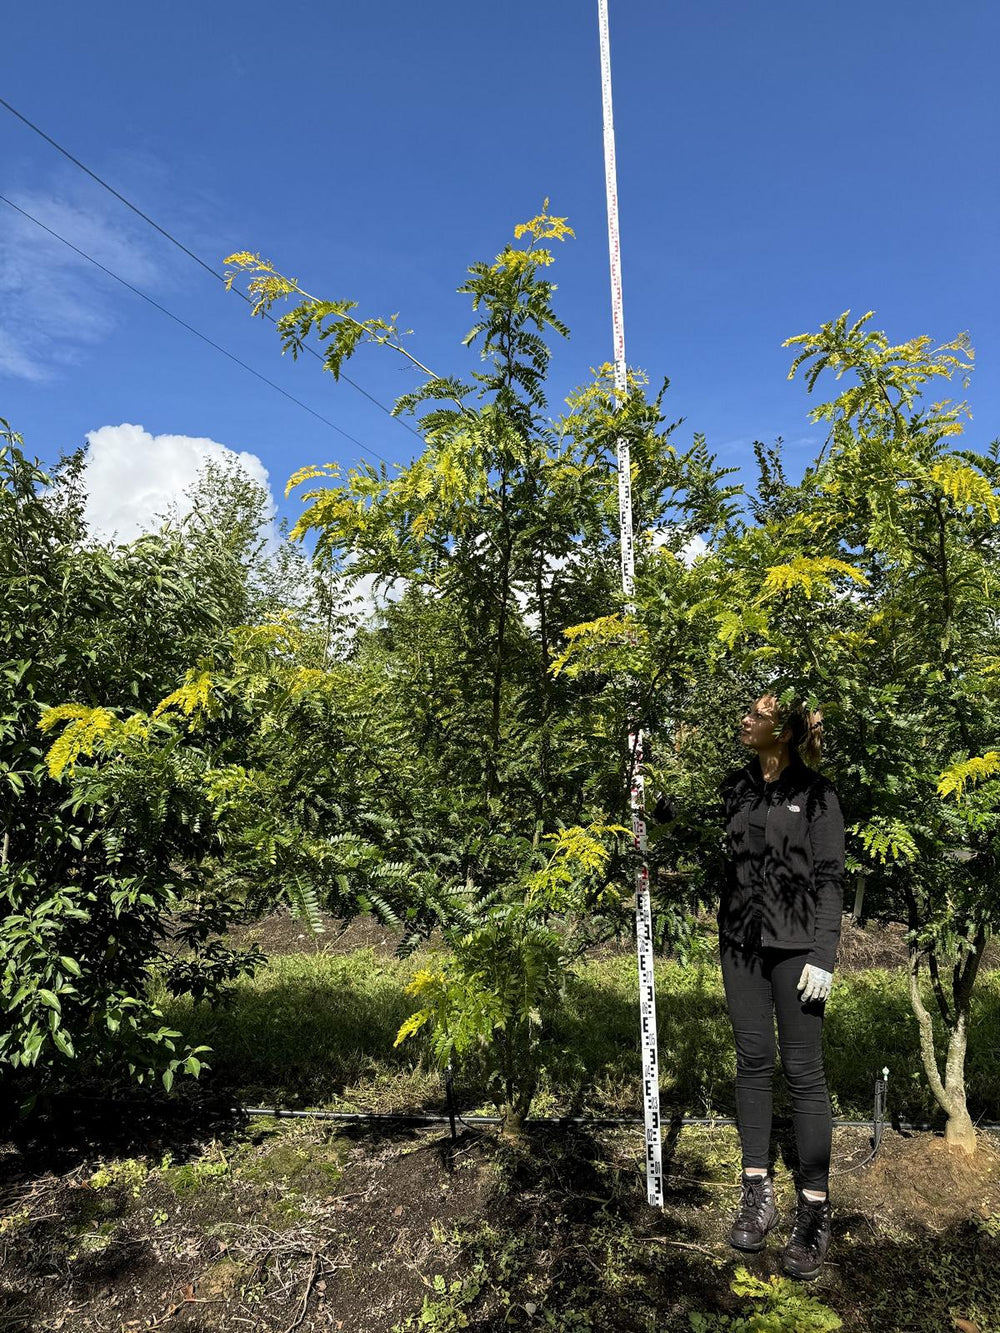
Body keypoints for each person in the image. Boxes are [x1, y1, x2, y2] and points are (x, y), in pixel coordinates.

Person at [659, 692, 844, 1280]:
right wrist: (656, 804)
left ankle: (814, 1208)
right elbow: (693, 831)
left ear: (783, 731)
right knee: (753, 1060)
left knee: (803, 1069)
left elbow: (831, 878)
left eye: (757, 715)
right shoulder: (735, 786)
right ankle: (756, 1187)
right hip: (740, 944)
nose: (745, 720)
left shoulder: (817, 795)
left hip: (796, 953)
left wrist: (824, 954)